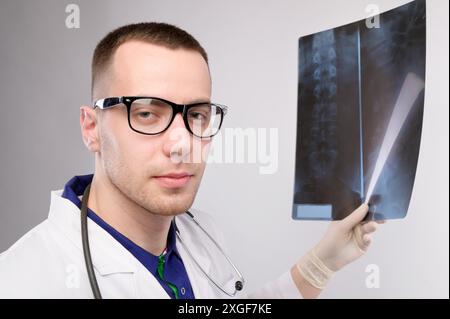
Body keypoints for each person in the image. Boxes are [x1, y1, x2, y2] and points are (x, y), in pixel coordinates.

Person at [0, 22, 382, 299]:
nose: (182, 143)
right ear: (91, 128)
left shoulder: (201, 236)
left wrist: (320, 264)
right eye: (147, 113)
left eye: (197, 115)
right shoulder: (23, 282)